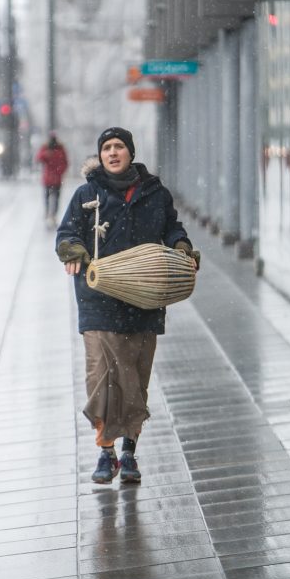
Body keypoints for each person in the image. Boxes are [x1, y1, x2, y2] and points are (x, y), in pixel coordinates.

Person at [55, 127, 200, 484]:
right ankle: (105, 452)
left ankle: (129, 453)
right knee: (100, 377)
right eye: (107, 148)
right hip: (98, 300)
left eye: (119, 146)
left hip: (144, 300)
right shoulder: (87, 194)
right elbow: (67, 233)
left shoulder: (155, 193)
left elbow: (173, 229)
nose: (113, 152)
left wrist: (182, 248)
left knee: (134, 377)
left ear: (130, 153)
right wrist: (73, 251)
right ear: (100, 155)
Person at [35, 132, 69, 227]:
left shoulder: (59, 149)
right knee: (49, 198)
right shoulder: (48, 149)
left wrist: (60, 171)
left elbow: (65, 162)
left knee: (54, 198)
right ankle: (49, 214)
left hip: (54, 178)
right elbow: (39, 158)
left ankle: (52, 215)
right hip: (51, 178)